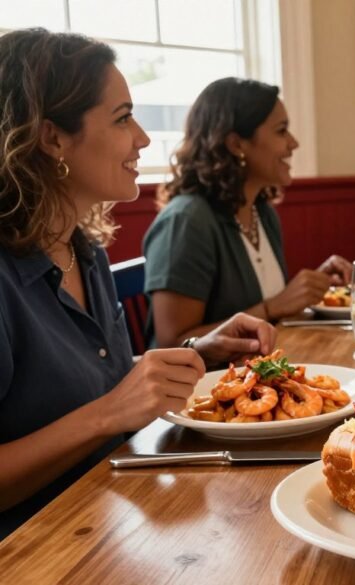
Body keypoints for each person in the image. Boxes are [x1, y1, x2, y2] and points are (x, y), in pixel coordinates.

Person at [0, 29, 276, 539]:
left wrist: (201, 350)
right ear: (52, 138)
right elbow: (105, 407)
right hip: (35, 548)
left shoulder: (84, 249)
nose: (143, 138)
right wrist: (108, 414)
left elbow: (86, 381)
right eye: (123, 117)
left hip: (112, 512)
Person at [143, 78, 352, 348]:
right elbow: (172, 343)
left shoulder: (261, 212)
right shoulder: (186, 222)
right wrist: (273, 307)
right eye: (281, 131)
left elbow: (268, 306)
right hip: (207, 386)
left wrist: (312, 288)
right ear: (236, 144)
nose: (294, 143)